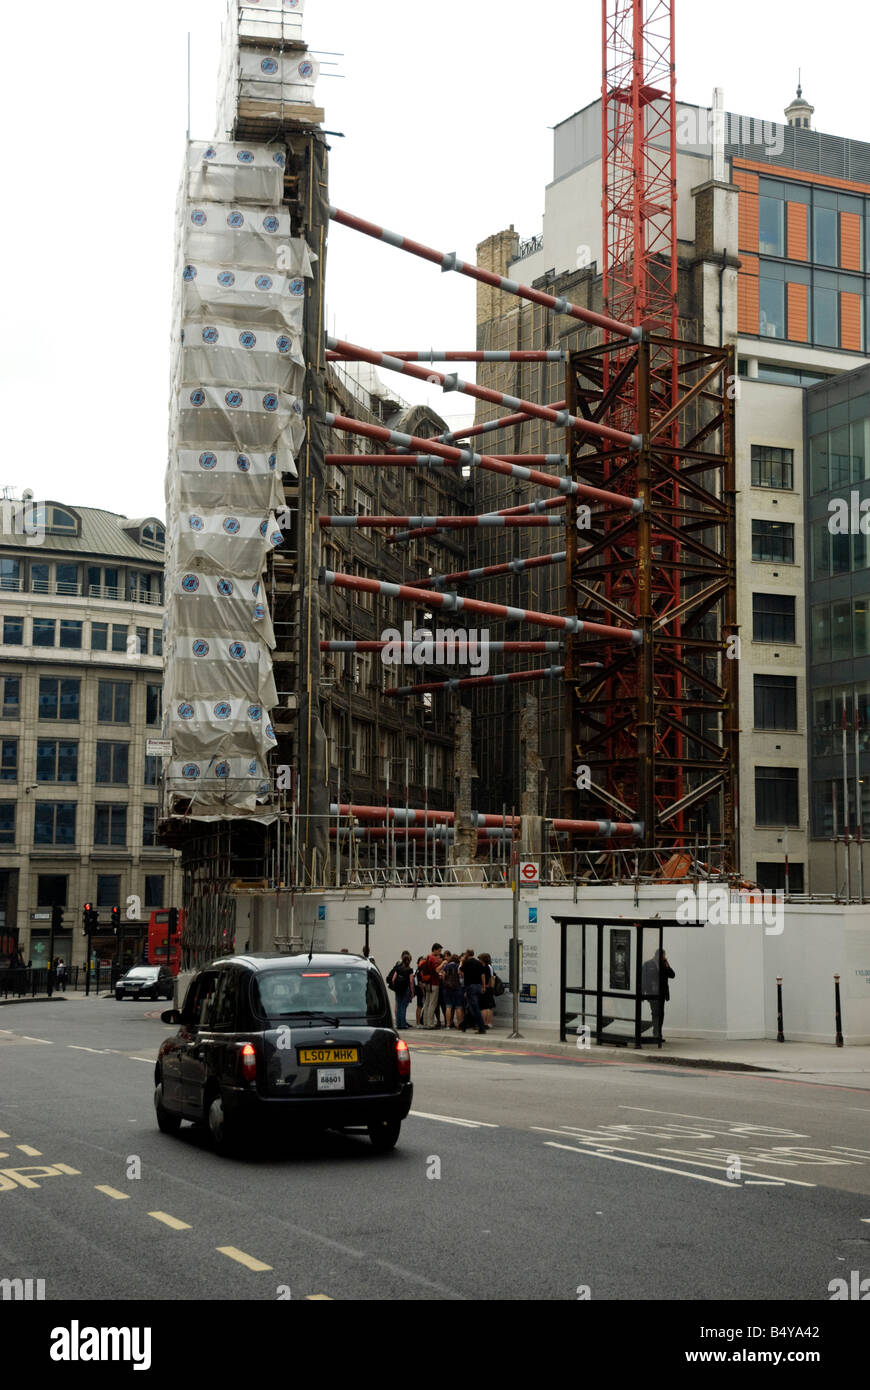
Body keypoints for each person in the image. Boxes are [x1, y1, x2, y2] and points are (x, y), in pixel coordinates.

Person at [642, 947, 675, 1041]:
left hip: (662, 993)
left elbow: (672, 975)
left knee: (661, 1014)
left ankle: (658, 1033)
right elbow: (644, 979)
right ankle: (656, 1034)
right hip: (652, 993)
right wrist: (643, 993)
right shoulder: (647, 964)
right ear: (657, 955)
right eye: (663, 956)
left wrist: (667, 964)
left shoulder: (664, 965)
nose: (665, 957)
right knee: (655, 1012)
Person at [458, 950, 488, 1034]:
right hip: (478, 986)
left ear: (467, 954)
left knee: (474, 1008)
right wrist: (484, 986)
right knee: (470, 1006)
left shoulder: (466, 963)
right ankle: (463, 1025)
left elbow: (460, 971)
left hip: (470, 986)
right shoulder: (479, 963)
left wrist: (465, 975)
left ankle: (481, 1028)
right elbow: (483, 975)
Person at [386, 951, 415, 1029]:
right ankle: (403, 1025)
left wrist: (396, 986)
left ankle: (398, 1025)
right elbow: (411, 982)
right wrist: (412, 992)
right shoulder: (410, 970)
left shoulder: (398, 968)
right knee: (403, 1007)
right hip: (405, 990)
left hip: (398, 990)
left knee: (398, 1007)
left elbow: (393, 979)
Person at [421, 942, 443, 1028]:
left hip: (427, 983)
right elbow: (437, 970)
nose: (440, 953)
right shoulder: (433, 959)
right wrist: (443, 963)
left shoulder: (427, 957)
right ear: (435, 950)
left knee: (426, 1003)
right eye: (439, 951)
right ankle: (430, 1023)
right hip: (434, 983)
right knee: (432, 1004)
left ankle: (426, 1023)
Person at [439, 952, 464, 1029]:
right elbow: (462, 976)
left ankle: (448, 1025)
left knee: (448, 1007)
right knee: (458, 1007)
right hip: (457, 988)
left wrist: (446, 982)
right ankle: (460, 1024)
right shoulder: (458, 966)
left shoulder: (446, 966)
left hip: (447, 989)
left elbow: (443, 977)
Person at [479, 952, 495, 1028]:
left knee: (483, 1007)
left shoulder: (483, 967)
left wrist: (484, 986)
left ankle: (484, 1023)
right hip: (490, 988)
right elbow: (492, 977)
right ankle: (489, 1022)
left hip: (485, 987)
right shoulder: (490, 966)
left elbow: (484, 977)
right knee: (489, 1007)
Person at [414, 956, 426, 1026]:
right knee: (419, 1006)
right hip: (420, 991)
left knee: (420, 1006)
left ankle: (419, 1022)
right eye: (422, 961)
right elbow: (420, 983)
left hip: (420, 990)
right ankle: (418, 1023)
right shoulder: (419, 971)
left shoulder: (418, 970)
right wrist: (423, 991)